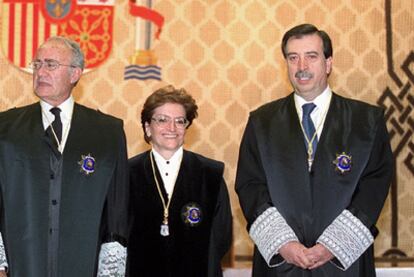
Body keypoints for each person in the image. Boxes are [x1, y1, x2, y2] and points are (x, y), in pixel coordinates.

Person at [235, 23, 394, 277]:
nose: (302, 67)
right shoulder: (261, 122)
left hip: (343, 264)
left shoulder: (367, 121)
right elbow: (250, 186)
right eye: (293, 58)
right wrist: (284, 245)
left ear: (328, 63)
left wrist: (331, 246)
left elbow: (374, 186)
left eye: (311, 56)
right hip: (281, 264)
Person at [0, 36, 129, 277]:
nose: (40, 72)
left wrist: (111, 271)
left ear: (75, 74)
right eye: (36, 64)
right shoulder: (5, 128)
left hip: (82, 262)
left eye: (50, 64)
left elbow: (117, 209)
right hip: (23, 262)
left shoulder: (107, 132)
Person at [127, 85, 232, 277]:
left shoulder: (211, 174)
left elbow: (222, 237)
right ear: (147, 127)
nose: (172, 128)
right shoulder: (126, 174)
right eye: (162, 120)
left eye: (179, 121)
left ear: (186, 127)